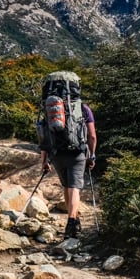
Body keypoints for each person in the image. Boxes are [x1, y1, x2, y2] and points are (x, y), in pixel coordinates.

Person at [40, 102, 96, 238]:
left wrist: (44, 161)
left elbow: (44, 136)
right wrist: (92, 156)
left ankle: (75, 220)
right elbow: (92, 136)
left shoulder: (51, 107)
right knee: (74, 187)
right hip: (77, 154)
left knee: (67, 186)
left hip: (57, 154)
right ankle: (71, 223)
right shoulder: (83, 108)